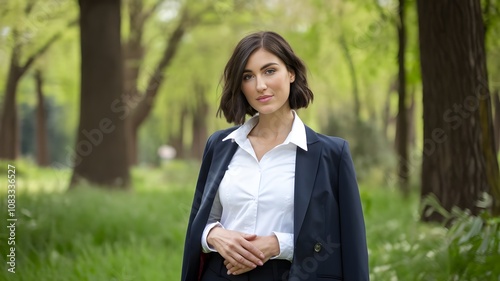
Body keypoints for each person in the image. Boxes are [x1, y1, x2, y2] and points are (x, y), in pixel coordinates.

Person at [181, 31, 369, 281]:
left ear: (291, 73)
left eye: (269, 71)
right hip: (220, 273)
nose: (260, 85)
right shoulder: (220, 145)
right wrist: (213, 235)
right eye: (248, 76)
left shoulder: (332, 154)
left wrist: (278, 244)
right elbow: (201, 220)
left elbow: (344, 241)